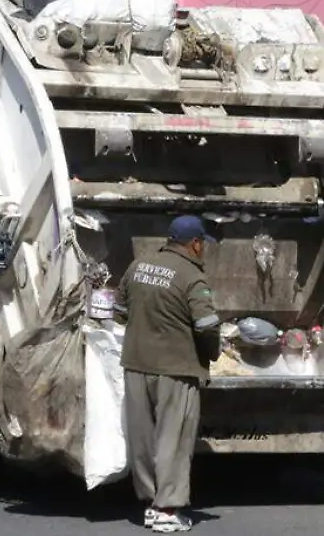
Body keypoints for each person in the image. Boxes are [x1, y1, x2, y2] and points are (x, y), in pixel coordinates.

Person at [113, 215, 222, 533]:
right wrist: (211, 354)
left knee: (143, 437)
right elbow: (207, 325)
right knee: (173, 439)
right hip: (176, 370)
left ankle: (150, 503)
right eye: (203, 245)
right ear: (195, 243)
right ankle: (167, 508)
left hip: (135, 364)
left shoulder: (139, 266)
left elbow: (119, 311)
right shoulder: (192, 277)